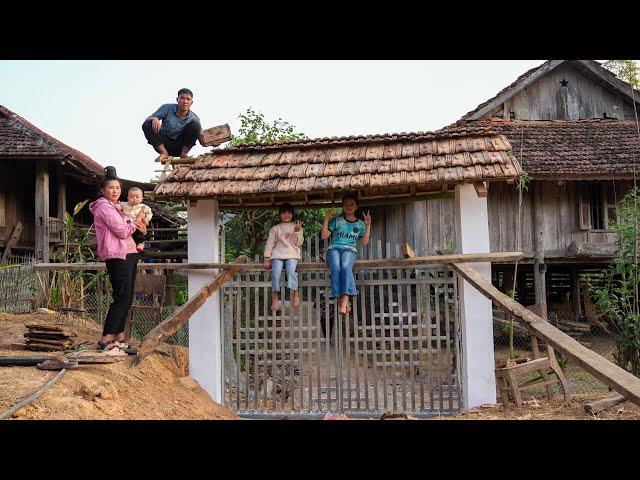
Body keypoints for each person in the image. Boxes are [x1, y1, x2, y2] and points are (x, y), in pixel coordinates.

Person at [88, 166, 147, 352]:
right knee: (121, 296)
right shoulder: (104, 207)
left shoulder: (117, 206)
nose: (115, 191)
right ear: (103, 190)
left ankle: (119, 336)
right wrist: (134, 223)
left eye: (118, 188)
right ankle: (106, 338)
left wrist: (141, 227)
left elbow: (132, 227)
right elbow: (121, 231)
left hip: (129, 253)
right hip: (117, 254)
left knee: (127, 296)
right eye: (111, 188)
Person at [321, 193, 371, 316]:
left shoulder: (360, 224)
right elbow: (324, 236)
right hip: (333, 249)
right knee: (336, 268)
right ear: (342, 206)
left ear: (356, 206)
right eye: (346, 204)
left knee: (345, 266)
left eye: (351, 204)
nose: (348, 207)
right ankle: (343, 301)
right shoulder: (337, 221)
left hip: (349, 250)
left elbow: (364, 242)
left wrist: (368, 225)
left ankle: (343, 301)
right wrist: (327, 219)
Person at [142, 88, 204, 162]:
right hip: (163, 144)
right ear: (177, 99)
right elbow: (147, 120)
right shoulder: (166, 108)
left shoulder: (195, 118)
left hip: (180, 147)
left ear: (191, 102)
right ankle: (164, 152)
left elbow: (201, 137)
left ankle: (183, 154)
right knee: (148, 124)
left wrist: (213, 142)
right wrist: (154, 118)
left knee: (195, 125)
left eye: (188, 99)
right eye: (182, 98)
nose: (185, 101)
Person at [263, 203, 304, 311]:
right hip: (278, 254)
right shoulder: (275, 228)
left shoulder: (296, 226)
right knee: (275, 273)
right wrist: (266, 259)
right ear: (280, 214)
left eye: (289, 213)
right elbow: (269, 244)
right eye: (283, 213)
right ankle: (275, 298)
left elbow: (298, 243)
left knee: (291, 272)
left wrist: (297, 231)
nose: (286, 215)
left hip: (292, 254)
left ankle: (295, 294)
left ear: (292, 214)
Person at [118, 187, 152, 253]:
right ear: (127, 198)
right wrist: (117, 206)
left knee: (138, 232)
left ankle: (141, 242)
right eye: (132, 197)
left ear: (141, 198)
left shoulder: (143, 207)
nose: (134, 199)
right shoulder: (124, 204)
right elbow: (118, 204)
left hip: (137, 224)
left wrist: (147, 219)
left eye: (137, 197)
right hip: (127, 224)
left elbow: (149, 213)